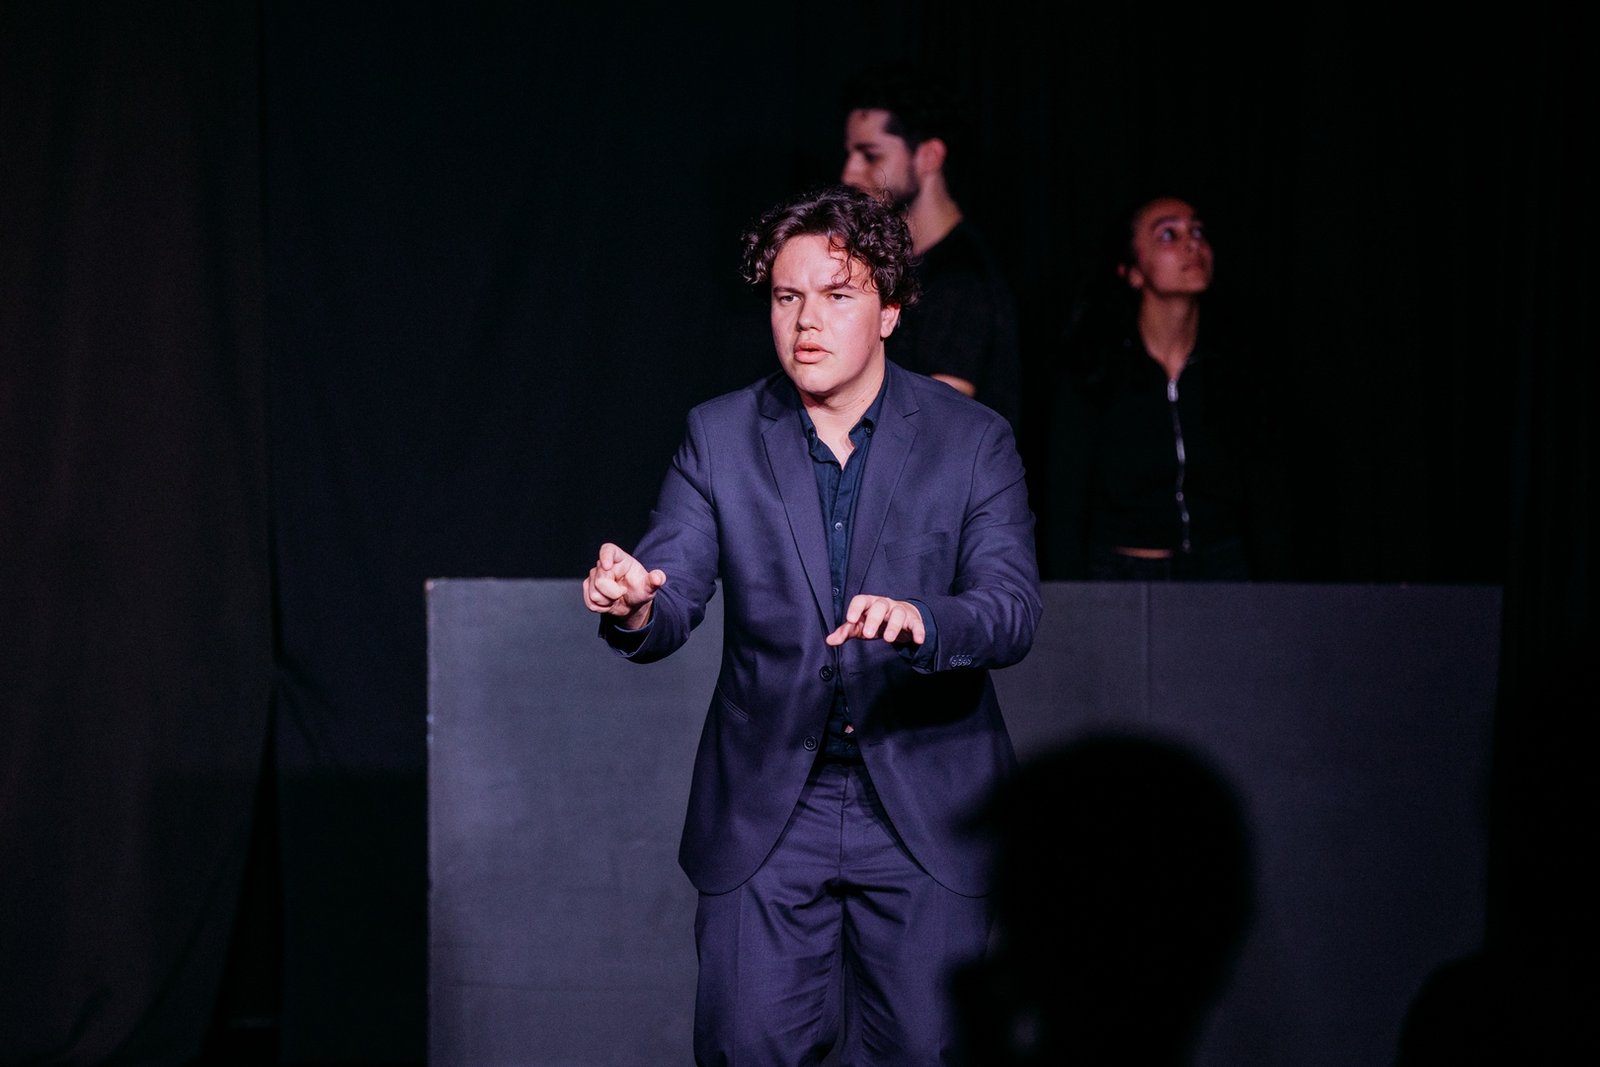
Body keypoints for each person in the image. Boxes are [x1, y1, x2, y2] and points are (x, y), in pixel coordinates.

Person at [582, 183, 1043, 1065]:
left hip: (926, 800)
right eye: (786, 296)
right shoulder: (719, 436)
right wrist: (635, 598)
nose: (806, 321)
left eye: (837, 295)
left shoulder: (971, 439)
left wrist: (923, 619)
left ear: (892, 310)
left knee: (930, 1049)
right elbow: (670, 590)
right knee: (745, 1045)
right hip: (768, 804)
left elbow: (1011, 609)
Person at [1044, 193, 1291, 580]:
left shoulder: (1233, 367)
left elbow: (1268, 492)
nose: (1192, 244)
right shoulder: (1096, 370)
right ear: (1133, 271)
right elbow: (1064, 499)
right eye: (1168, 235)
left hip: (1220, 568)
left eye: (1197, 231)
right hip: (1123, 572)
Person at [838, 62, 1023, 436]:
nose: (849, 173)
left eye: (870, 155)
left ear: (929, 157)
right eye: (850, 154)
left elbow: (933, 430)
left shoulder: (962, 280)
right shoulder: (906, 267)